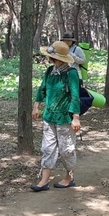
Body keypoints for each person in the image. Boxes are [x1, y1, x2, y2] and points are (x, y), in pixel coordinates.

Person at [31, 41, 81, 192]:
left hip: (65, 119)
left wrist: (76, 117)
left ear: (60, 59)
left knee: (67, 150)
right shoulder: (49, 71)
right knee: (47, 148)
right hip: (49, 117)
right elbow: (42, 89)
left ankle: (69, 177)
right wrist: (36, 106)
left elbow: (75, 96)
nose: (50, 60)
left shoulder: (71, 74)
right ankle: (44, 180)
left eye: (52, 58)